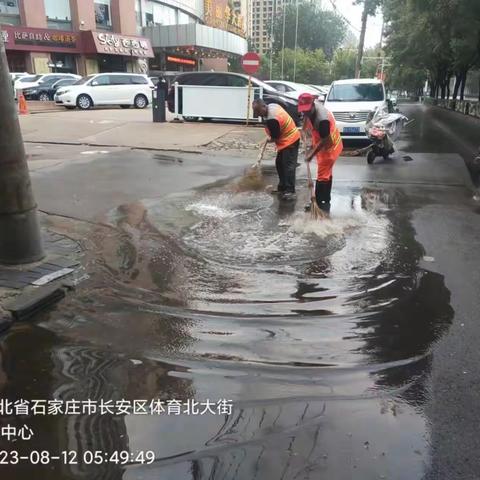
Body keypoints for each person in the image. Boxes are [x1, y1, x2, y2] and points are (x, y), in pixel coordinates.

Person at [298, 93, 343, 213]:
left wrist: (311, 154)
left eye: (307, 110)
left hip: (329, 147)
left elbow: (325, 140)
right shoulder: (310, 111)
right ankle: (326, 199)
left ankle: (317, 202)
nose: (305, 113)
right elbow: (307, 120)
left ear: (313, 105)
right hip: (323, 143)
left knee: (322, 175)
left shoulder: (322, 119)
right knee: (327, 173)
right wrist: (304, 132)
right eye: (303, 111)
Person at [252, 99, 300, 200]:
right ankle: (282, 187)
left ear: (264, 107)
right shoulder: (272, 105)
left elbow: (276, 136)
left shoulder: (272, 118)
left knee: (288, 166)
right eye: (255, 112)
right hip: (285, 139)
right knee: (279, 163)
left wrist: (268, 140)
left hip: (290, 139)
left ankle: (290, 191)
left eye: (258, 111)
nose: (257, 114)